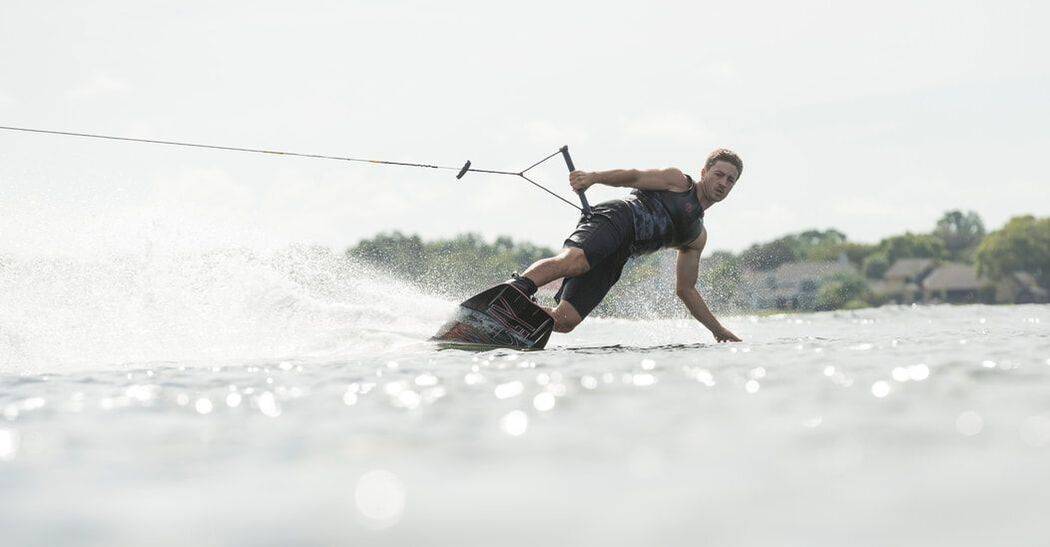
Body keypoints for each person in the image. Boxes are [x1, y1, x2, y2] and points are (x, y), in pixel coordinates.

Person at [505, 148, 743, 342]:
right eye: (719, 174)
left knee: (566, 321)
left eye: (730, 180)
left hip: (620, 254)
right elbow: (634, 176)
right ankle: (515, 290)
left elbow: (686, 290)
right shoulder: (678, 182)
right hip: (618, 218)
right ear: (705, 171)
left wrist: (717, 330)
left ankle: (512, 318)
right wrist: (593, 178)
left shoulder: (696, 237)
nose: (723, 182)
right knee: (575, 261)